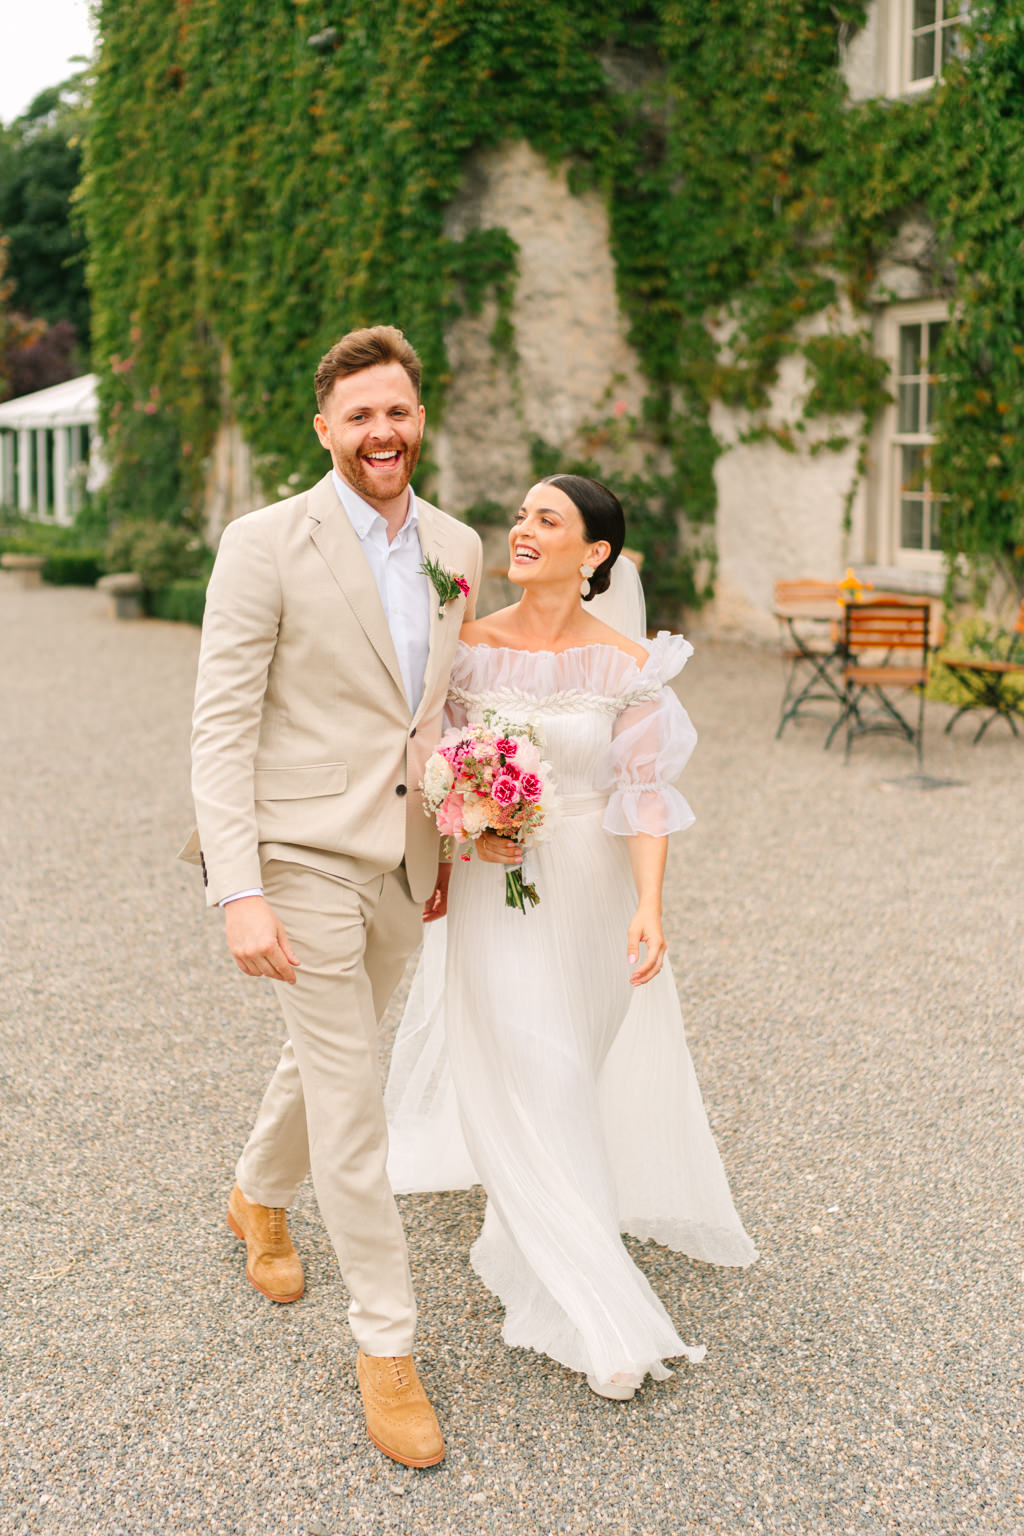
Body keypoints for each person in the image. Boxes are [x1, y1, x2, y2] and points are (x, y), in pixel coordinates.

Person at [181, 324, 483, 1468]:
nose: (381, 432)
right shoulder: (264, 542)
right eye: (358, 415)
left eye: (396, 411)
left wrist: (468, 819)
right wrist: (237, 889)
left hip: (412, 855)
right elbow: (220, 722)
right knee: (357, 1104)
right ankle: (386, 1346)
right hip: (297, 850)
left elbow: (443, 712)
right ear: (324, 429)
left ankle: (257, 1192)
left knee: (332, 1053)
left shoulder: (456, 544)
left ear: (420, 417)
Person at [385, 474, 756, 1399]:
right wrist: (467, 825)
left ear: (593, 555)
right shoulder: (465, 654)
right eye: (519, 515)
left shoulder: (630, 665)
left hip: (590, 894)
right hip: (494, 883)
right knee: (537, 1069)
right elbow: (437, 768)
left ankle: (530, 1214)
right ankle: (600, 1312)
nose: (521, 529)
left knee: (570, 1069)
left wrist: (649, 907)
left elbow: (643, 797)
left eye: (546, 519)